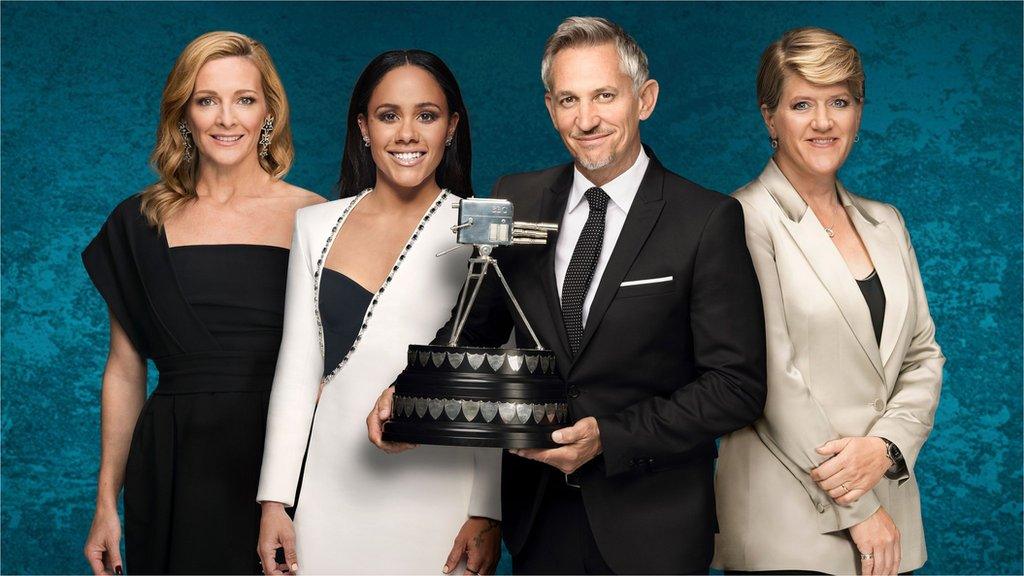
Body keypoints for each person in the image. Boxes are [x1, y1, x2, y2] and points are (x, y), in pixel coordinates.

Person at [368, 17, 766, 575]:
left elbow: (736, 387)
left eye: (605, 95)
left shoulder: (706, 219)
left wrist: (611, 438)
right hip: (540, 517)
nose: (586, 119)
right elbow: (473, 327)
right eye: (568, 99)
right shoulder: (516, 197)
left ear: (644, 99)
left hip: (654, 525)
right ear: (550, 107)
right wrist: (408, 395)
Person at [81, 31, 322, 575]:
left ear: (268, 112)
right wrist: (104, 502)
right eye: (206, 100)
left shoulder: (316, 216)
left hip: (285, 463)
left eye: (244, 99)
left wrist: (290, 489)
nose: (225, 118)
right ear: (183, 114)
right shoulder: (137, 222)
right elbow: (124, 369)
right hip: (174, 460)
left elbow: (333, 365)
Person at [256, 50, 501, 575]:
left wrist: (487, 510)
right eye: (389, 115)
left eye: (427, 115)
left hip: (441, 490)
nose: (407, 133)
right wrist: (275, 499)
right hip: (327, 488)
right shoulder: (314, 225)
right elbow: (296, 369)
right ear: (363, 127)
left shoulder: (479, 227)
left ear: (452, 127)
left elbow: (491, 374)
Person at [713, 27, 945, 576]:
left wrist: (886, 447)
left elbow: (923, 355)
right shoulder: (742, 218)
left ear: (858, 111)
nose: (823, 122)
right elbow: (770, 377)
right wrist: (859, 508)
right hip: (787, 522)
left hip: (891, 515)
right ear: (769, 117)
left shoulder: (886, 222)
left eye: (839, 101)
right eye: (801, 105)